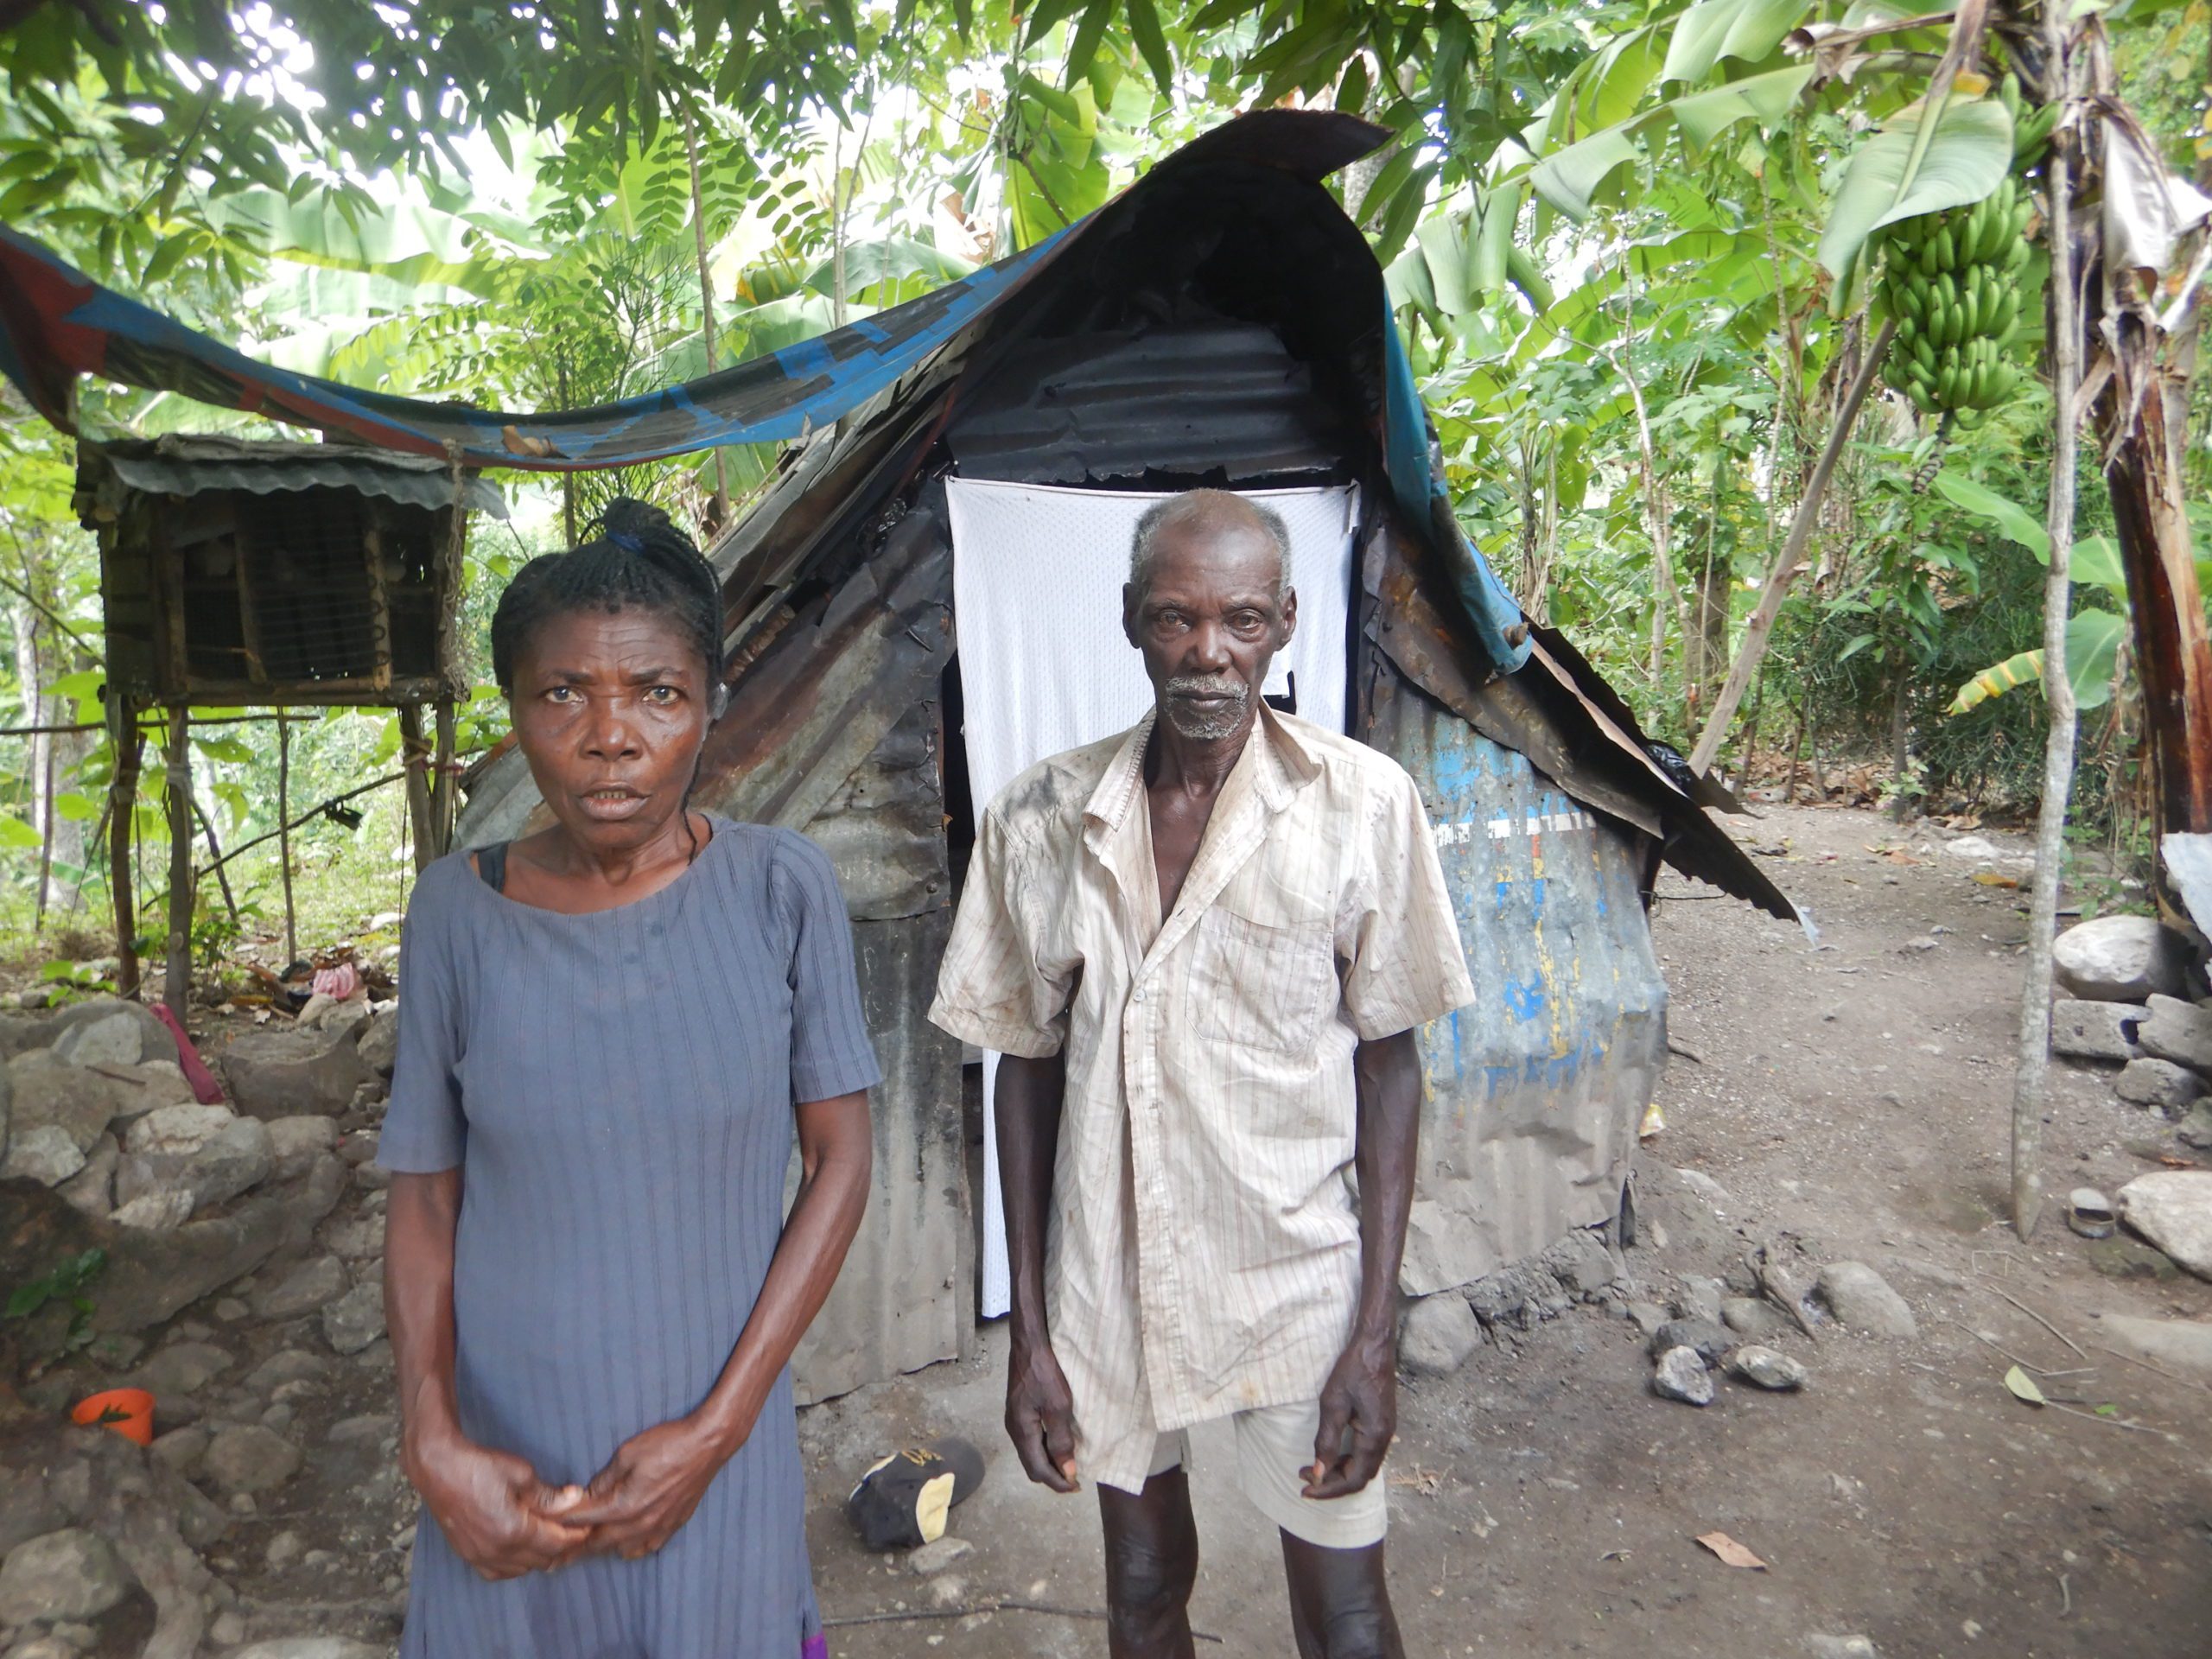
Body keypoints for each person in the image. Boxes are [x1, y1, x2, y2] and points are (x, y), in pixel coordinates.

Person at [930, 489, 1475, 1659]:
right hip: (1111, 1274)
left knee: (1348, 1616)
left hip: (1296, 1275)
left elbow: (1391, 1070)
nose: (1208, 652)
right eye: (1176, 618)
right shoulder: (1040, 819)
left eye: (1241, 619)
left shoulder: (1361, 806)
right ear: (1131, 619)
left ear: (1286, 622)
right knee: (1140, 1589)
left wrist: (1374, 1334)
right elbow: (1022, 1068)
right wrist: (1032, 1333)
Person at [379, 499, 880, 1659]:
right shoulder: (454, 912)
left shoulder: (781, 890)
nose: (612, 737)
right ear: (516, 712)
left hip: (720, 1444)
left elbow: (841, 1161)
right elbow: (425, 1197)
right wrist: (431, 1437)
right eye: (564, 693)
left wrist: (716, 1434)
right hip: (503, 1460)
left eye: (657, 693)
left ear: (710, 706)